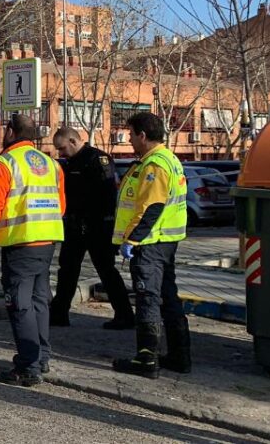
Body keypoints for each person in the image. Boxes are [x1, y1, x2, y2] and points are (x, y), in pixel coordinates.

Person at [0, 113, 65, 387]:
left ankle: (28, 366)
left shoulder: (4, 163)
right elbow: (62, 204)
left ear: (10, 132)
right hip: (47, 241)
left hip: (20, 245)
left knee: (20, 306)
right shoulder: (51, 164)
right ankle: (42, 357)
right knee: (39, 301)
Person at [112, 112, 191, 378]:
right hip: (165, 242)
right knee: (168, 298)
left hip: (150, 244)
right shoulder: (168, 159)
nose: (130, 140)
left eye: (131, 135)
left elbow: (151, 207)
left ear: (142, 135)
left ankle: (146, 360)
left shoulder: (154, 165)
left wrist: (132, 240)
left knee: (148, 299)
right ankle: (180, 356)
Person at [50, 127, 134, 329]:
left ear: (73, 141)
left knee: (106, 271)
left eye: (61, 148)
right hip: (75, 226)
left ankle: (125, 315)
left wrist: (106, 228)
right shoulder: (70, 162)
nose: (60, 153)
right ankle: (59, 314)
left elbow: (107, 197)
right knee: (67, 271)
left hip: (97, 228)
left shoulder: (98, 160)